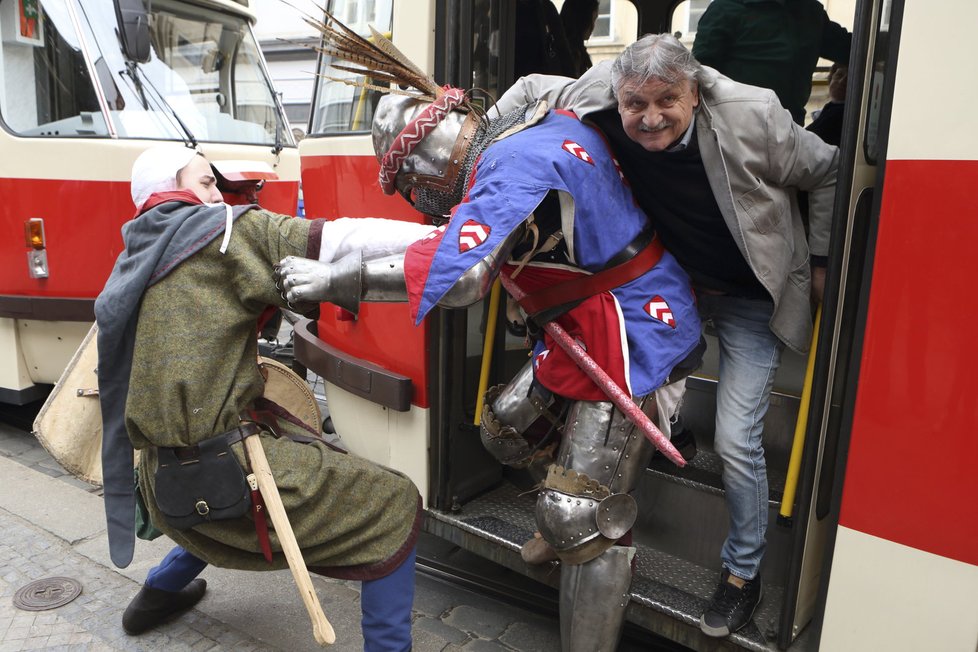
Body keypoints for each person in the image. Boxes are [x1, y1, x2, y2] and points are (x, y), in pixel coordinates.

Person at [274, 31, 705, 650]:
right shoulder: (519, 137)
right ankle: (558, 521)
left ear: (433, 165)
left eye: (414, 187)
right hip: (588, 314)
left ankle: (575, 537)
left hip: (635, 326)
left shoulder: (510, 165)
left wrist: (337, 277)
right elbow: (452, 244)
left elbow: (464, 274)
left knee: (580, 513)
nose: (421, 203)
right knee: (507, 424)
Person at [493, 34, 839, 638]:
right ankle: (569, 525)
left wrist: (821, 259)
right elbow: (528, 90)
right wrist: (479, 159)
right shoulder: (598, 92)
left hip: (751, 297)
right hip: (670, 286)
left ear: (696, 92)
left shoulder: (752, 116)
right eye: (636, 104)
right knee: (593, 394)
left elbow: (831, 169)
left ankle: (741, 574)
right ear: (618, 96)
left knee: (735, 441)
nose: (650, 118)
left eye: (666, 102)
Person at [95, 144, 431, 649]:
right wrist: (449, 240)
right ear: (176, 191)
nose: (219, 195)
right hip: (229, 474)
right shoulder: (224, 233)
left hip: (161, 483)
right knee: (394, 502)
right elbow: (338, 241)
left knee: (221, 485)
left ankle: (157, 595)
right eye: (206, 183)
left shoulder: (132, 256)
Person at [691, 0, 851, 125]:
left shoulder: (811, 13)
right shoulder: (725, 10)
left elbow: (854, 49)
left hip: (789, 129)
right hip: (730, 130)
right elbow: (698, 76)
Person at [807, 62, 848, 147]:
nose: (842, 81)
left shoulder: (841, 113)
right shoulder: (831, 108)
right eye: (839, 75)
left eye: (849, 79)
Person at [560, 0, 599, 76]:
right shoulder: (573, 55)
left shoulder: (574, 51)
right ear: (584, 20)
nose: (594, 26)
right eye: (593, 19)